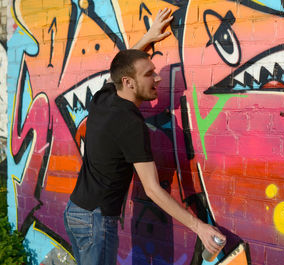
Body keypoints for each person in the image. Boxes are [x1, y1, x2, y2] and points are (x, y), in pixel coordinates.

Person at [63, 8, 225, 265]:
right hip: (96, 221)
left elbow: (119, 65)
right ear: (128, 83)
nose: (158, 78)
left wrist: (149, 37)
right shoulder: (131, 124)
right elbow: (151, 189)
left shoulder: (104, 97)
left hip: (75, 211)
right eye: (149, 74)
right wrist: (199, 228)